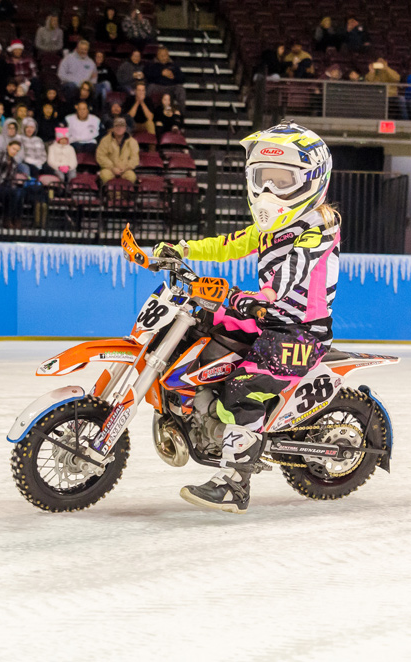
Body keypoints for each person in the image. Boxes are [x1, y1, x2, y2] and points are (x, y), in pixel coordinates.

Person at [153, 122, 339, 514]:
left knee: (241, 389)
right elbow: (229, 244)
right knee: (199, 332)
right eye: (262, 179)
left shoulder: (317, 229)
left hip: (298, 331)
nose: (269, 192)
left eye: (281, 181)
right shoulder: (272, 227)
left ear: (311, 181)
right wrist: (181, 248)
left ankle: (235, 486)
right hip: (264, 318)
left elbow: (289, 277)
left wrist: (250, 297)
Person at [96, 117, 139, 183]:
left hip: (126, 169)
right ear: (113, 128)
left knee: (132, 177)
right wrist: (112, 168)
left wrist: (125, 168)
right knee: (104, 175)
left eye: (122, 126)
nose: (119, 128)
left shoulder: (133, 142)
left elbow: (135, 159)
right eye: (116, 126)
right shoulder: (105, 140)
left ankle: (125, 193)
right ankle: (110, 193)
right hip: (109, 169)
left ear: (125, 128)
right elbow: (100, 156)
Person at [145, 47, 186, 112]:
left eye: (165, 55)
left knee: (180, 89)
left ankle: (181, 114)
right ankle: (146, 112)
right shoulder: (152, 64)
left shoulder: (174, 65)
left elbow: (183, 79)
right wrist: (161, 73)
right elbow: (148, 76)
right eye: (162, 56)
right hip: (158, 86)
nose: (164, 57)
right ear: (157, 56)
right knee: (150, 87)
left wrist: (174, 77)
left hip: (171, 86)